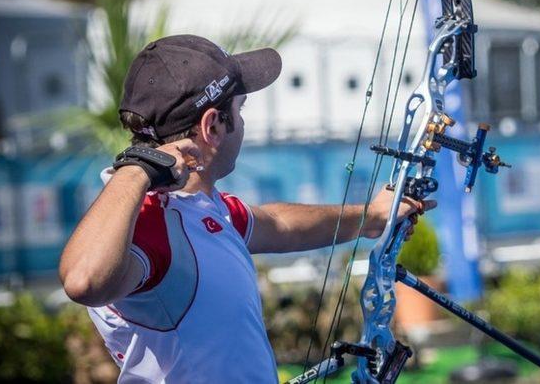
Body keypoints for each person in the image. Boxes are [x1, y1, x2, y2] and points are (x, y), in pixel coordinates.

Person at [59, 35, 434, 383]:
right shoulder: (152, 221)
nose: (242, 123)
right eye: (239, 110)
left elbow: (278, 223)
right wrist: (138, 168)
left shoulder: (201, 210)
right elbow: (82, 281)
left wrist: (373, 216)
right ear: (213, 126)